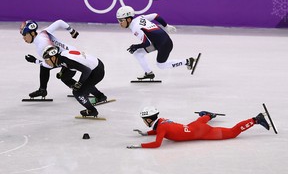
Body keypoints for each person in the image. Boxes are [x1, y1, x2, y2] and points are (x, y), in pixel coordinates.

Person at [127, 106, 271, 148]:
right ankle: (208, 115)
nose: (143, 122)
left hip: (202, 132)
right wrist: (146, 133)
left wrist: (140, 145)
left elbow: (157, 144)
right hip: (193, 127)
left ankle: (256, 119)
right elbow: (158, 131)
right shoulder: (161, 122)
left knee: (233, 133)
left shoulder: (161, 127)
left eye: (144, 120)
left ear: (149, 119)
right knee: (200, 121)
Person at [116, 6, 197, 80]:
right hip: (157, 42)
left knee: (161, 65)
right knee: (138, 54)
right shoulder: (140, 18)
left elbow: (146, 43)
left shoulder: (135, 28)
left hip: (164, 44)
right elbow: (155, 15)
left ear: (129, 19)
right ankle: (149, 73)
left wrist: (136, 46)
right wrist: (166, 26)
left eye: (121, 20)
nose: (119, 23)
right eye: (118, 20)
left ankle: (188, 61)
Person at [20, 19, 79, 98]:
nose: (23, 38)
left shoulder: (42, 46)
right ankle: (43, 90)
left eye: (25, 35)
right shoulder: (43, 33)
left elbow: (51, 64)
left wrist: (35, 61)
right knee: (62, 76)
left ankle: (82, 89)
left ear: (33, 33)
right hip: (72, 52)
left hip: (72, 59)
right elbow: (60, 22)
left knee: (62, 76)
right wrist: (72, 31)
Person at [42, 45, 106, 116]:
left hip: (96, 71)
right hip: (96, 64)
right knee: (64, 77)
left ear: (53, 58)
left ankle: (92, 110)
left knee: (77, 92)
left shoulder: (67, 60)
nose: (46, 63)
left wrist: (79, 84)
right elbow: (67, 64)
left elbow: (87, 71)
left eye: (47, 60)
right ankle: (100, 96)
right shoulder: (61, 56)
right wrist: (61, 72)